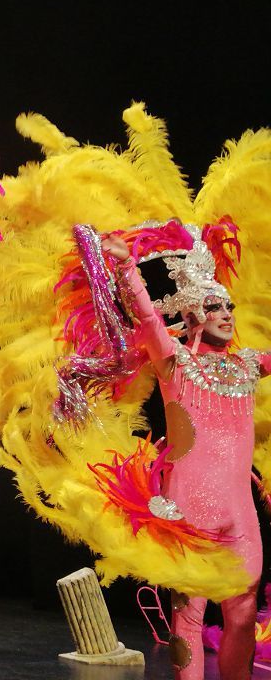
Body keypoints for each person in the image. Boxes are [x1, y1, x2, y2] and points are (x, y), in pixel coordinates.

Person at [103, 230, 264, 680]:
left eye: (229, 306)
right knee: (189, 619)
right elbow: (150, 319)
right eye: (214, 307)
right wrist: (126, 267)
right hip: (189, 510)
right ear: (193, 312)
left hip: (240, 514)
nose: (226, 314)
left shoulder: (249, 365)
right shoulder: (175, 362)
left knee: (243, 613)